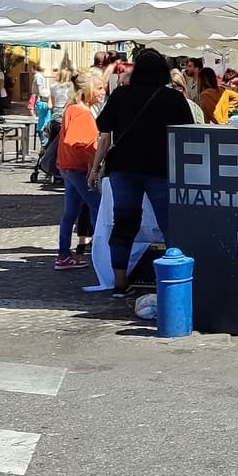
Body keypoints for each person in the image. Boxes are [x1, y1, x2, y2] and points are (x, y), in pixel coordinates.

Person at [89, 49, 194, 296]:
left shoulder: (121, 95)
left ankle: (119, 283)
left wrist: (96, 167)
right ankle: (175, 280)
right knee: (170, 224)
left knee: (124, 223)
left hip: (124, 167)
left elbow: (103, 126)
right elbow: (188, 133)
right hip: (160, 167)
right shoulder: (173, 98)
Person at [55, 74, 104, 270]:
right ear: (88, 91)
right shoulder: (82, 113)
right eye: (99, 88)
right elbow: (76, 141)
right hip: (78, 168)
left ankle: (64, 255)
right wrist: (94, 162)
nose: (103, 92)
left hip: (67, 167)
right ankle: (102, 253)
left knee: (70, 213)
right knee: (98, 208)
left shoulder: (71, 108)